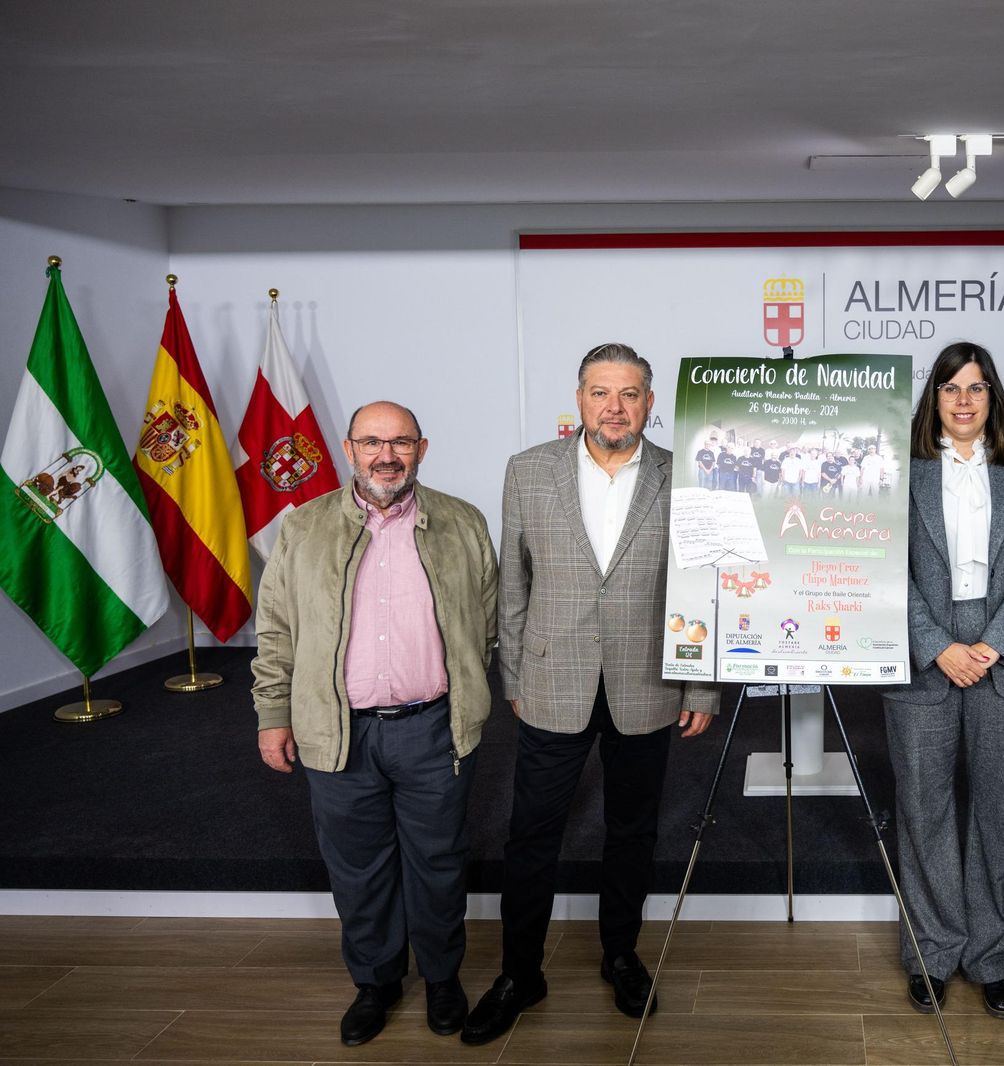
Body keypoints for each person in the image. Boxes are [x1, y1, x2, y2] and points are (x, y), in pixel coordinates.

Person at [463, 343, 720, 1045]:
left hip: (649, 681)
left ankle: (621, 955)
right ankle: (520, 973)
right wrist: (513, 674)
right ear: (579, 398)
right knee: (532, 835)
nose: (614, 407)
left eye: (629, 393)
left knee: (633, 832)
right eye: (601, 392)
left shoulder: (684, 473)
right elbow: (512, 584)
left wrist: (701, 682)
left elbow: (702, 581)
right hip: (551, 680)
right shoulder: (529, 471)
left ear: (650, 401)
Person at [252, 401, 497, 1047]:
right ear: (349, 447)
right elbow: (275, 631)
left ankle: (443, 980)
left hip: (433, 729)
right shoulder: (302, 528)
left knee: (439, 863)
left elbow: (490, 623)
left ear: (422, 448)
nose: (386, 455)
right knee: (358, 868)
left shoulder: (463, 524)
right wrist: (273, 715)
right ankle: (377, 983)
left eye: (400, 442)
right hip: (337, 731)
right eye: (371, 442)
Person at [884, 342, 1004, 1020]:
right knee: (924, 814)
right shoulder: (901, 469)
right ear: (934, 399)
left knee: (1002, 814)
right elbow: (878, 564)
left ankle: (996, 957)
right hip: (922, 655)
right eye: (950, 388)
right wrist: (937, 645)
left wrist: (989, 645)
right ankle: (932, 952)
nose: (963, 400)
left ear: (993, 398)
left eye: (976, 388)